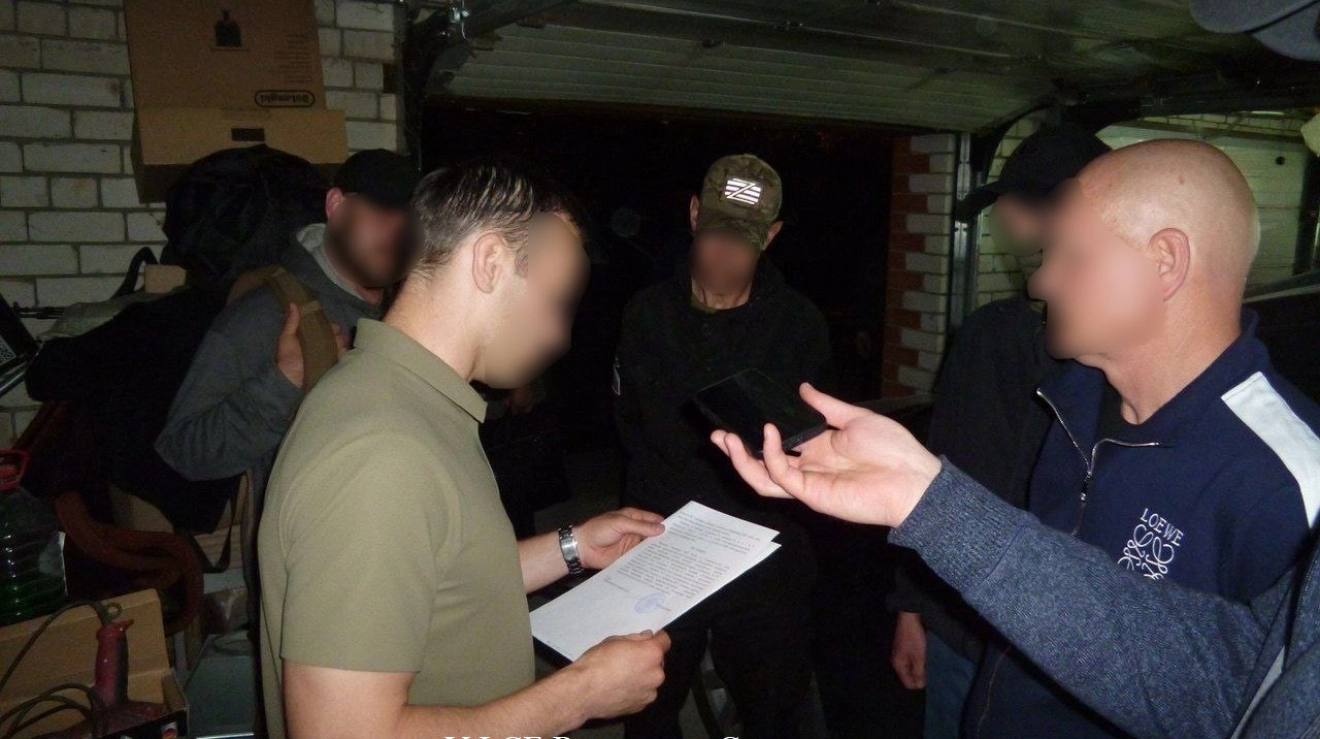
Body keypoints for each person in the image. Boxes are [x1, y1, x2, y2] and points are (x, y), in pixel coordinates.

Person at [712, 143, 1320, 739]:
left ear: (1165, 262)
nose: (1041, 282)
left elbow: (1248, 704)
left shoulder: (1294, 484)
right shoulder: (1074, 400)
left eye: (1070, 255)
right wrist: (919, 498)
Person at [258, 158, 672, 739]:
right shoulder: (384, 452)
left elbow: (441, 574)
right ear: (490, 261)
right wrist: (578, 696)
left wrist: (573, 547)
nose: (558, 334)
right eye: (555, 301)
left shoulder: (407, 398)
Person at [890, 124, 1108, 739]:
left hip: (1053, 655)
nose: (1002, 223)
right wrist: (912, 608)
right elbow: (937, 473)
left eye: (1012, 205)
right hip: (959, 627)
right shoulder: (987, 334)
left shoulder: (1112, 358)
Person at [613, 155, 832, 739]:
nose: (724, 252)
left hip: (764, 551)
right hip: (665, 542)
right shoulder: (645, 316)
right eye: (715, 231)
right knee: (649, 710)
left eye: (743, 239)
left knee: (774, 712)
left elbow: (810, 446)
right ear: (693, 214)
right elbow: (630, 428)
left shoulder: (800, 325)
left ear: (771, 236)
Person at [156, 149, 419, 509]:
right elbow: (184, 450)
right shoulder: (268, 315)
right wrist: (282, 384)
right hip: (319, 536)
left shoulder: (414, 307)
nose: (395, 231)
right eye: (381, 212)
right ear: (336, 206)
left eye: (409, 220)